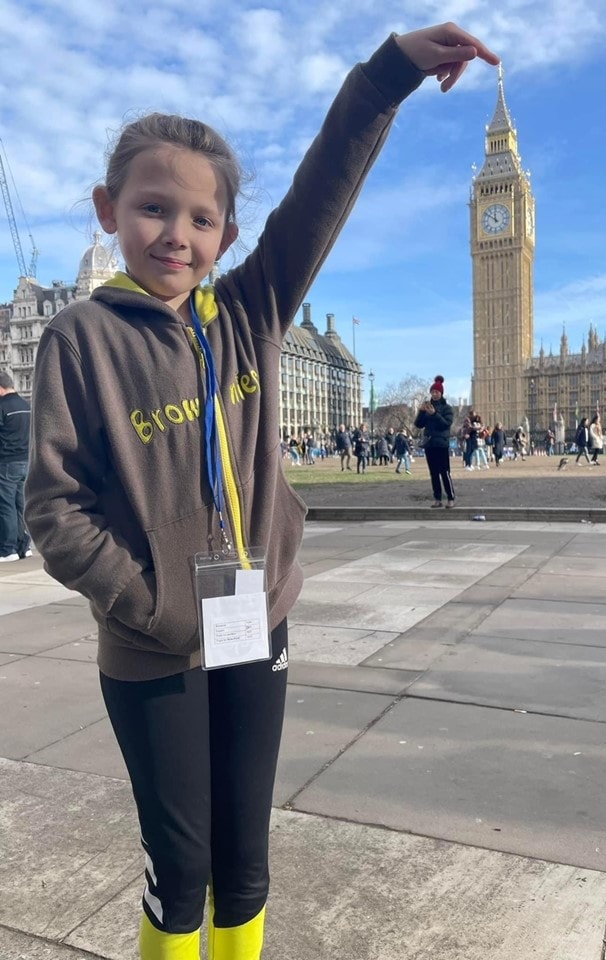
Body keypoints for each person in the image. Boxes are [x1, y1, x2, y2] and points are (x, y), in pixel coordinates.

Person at [23, 24, 500, 960]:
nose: (177, 233)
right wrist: (152, 606)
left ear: (229, 235)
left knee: (247, 864)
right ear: (107, 209)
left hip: (256, 625)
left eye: (201, 219)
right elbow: (54, 507)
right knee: (182, 866)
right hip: (155, 646)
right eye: (153, 208)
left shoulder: (254, 308)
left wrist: (390, 73)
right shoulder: (80, 338)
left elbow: (324, 188)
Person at [0, 371, 32, 562]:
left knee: (5, 506)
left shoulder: (2, 407)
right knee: (21, 506)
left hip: (6, 463)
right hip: (25, 461)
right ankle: (24, 546)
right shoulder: (25, 405)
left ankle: (7, 549)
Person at [414, 375, 455, 507]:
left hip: (441, 444)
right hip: (429, 444)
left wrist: (434, 414)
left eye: (437, 392)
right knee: (433, 473)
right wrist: (421, 412)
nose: (434, 394)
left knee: (445, 472)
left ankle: (450, 498)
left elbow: (446, 424)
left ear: (441, 393)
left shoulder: (447, 408)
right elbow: (418, 425)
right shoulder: (427, 407)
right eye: (432, 392)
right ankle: (437, 498)